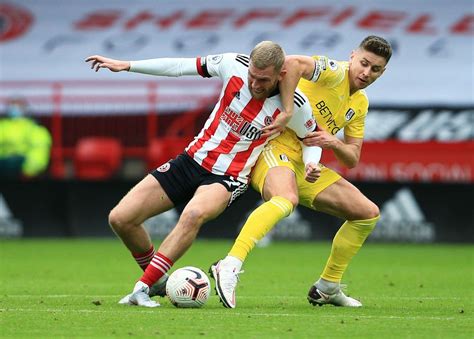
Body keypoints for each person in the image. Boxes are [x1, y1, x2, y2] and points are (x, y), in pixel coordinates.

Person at [85, 41, 322, 307]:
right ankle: (158, 280)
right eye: (252, 77)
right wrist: (127, 65)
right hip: (191, 160)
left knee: (193, 214)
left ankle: (142, 288)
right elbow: (179, 66)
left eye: (263, 80)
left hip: (228, 177)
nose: (255, 84)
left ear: (280, 75)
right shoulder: (232, 64)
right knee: (121, 218)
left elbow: (311, 139)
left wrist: (312, 162)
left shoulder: (296, 106)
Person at [210, 35, 392, 308]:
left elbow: (353, 157)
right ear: (352, 56)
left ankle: (328, 286)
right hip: (274, 147)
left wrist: (333, 142)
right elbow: (292, 63)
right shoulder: (333, 71)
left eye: (375, 69)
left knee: (367, 214)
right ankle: (230, 264)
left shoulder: (360, 103)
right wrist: (286, 110)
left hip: (308, 164)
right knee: (285, 199)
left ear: (382, 72)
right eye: (364, 63)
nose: (366, 73)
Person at [0, 97, 52, 178]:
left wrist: (29, 170)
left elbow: (39, 150)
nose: (14, 110)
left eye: (18, 107)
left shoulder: (34, 128)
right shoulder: (2, 126)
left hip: (25, 171)